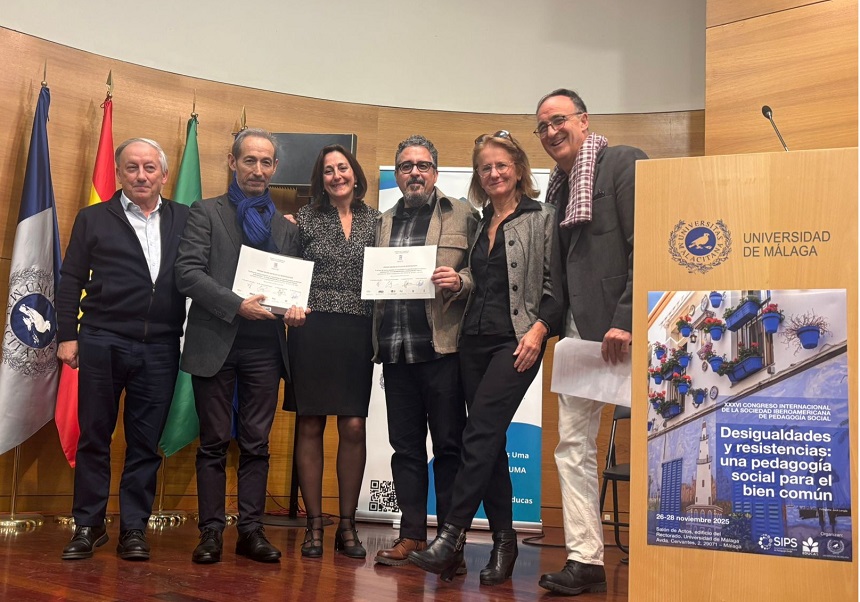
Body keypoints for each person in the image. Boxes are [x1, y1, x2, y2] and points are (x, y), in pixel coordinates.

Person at [409, 131, 562, 583]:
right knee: (489, 443)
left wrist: (540, 329)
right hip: (471, 342)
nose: (493, 173)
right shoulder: (477, 222)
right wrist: (459, 282)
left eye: (501, 165)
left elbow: (557, 288)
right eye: (485, 168)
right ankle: (503, 543)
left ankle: (450, 535)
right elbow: (478, 279)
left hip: (517, 341)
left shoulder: (542, 217)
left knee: (479, 434)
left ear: (518, 169)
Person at [175, 128, 307, 564]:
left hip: (265, 347)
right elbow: (188, 273)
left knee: (256, 442)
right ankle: (210, 532)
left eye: (266, 162)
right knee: (213, 442)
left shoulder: (285, 226)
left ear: (274, 169)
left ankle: (251, 531)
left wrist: (294, 308)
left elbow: (293, 282)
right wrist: (236, 305)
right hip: (215, 339)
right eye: (249, 160)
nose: (258, 169)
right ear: (233, 163)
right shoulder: (205, 211)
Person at [533, 89, 647, 596]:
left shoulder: (622, 162)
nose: (551, 131)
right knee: (572, 446)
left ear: (583, 120)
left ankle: (669, 550)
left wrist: (626, 318)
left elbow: (645, 240)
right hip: (578, 338)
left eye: (559, 120)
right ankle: (586, 559)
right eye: (543, 126)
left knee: (656, 444)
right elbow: (558, 272)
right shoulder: (555, 190)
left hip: (627, 334)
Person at [56, 138, 189, 561]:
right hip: (101, 339)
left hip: (162, 345)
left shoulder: (187, 219)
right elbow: (70, 280)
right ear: (119, 173)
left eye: (150, 168)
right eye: (132, 168)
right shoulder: (94, 218)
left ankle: (134, 528)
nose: (141, 175)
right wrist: (66, 336)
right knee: (95, 436)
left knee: (144, 443)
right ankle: (88, 526)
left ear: (164, 175)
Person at [372, 135, 478, 569]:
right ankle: (412, 536)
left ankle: (450, 542)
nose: (414, 172)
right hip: (396, 354)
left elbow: (483, 269)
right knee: (406, 450)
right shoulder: (381, 222)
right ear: (397, 174)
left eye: (422, 165)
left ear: (435, 171)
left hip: (443, 351)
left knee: (450, 449)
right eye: (405, 166)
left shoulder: (463, 214)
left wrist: (461, 282)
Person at [284, 145, 380, 559]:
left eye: (342, 168)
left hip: (359, 329)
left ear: (355, 174)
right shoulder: (303, 218)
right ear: (320, 179)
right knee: (309, 424)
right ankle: (313, 528)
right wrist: (289, 304)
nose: (336, 175)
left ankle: (347, 527)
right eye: (328, 170)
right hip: (312, 327)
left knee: (354, 426)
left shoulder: (378, 220)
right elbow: (286, 269)